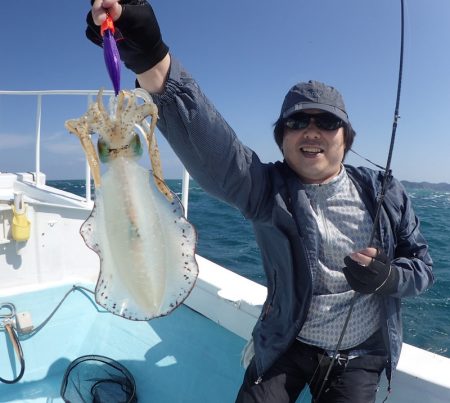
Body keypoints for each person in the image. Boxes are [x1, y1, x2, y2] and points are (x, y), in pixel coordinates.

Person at [86, 1, 434, 402]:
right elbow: (211, 144)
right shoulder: (265, 189)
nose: (311, 131)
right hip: (288, 340)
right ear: (282, 139)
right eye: (297, 122)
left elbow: (422, 267)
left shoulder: (384, 193)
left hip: (361, 353)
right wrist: (147, 52)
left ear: (346, 137)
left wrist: (389, 278)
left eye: (327, 121)